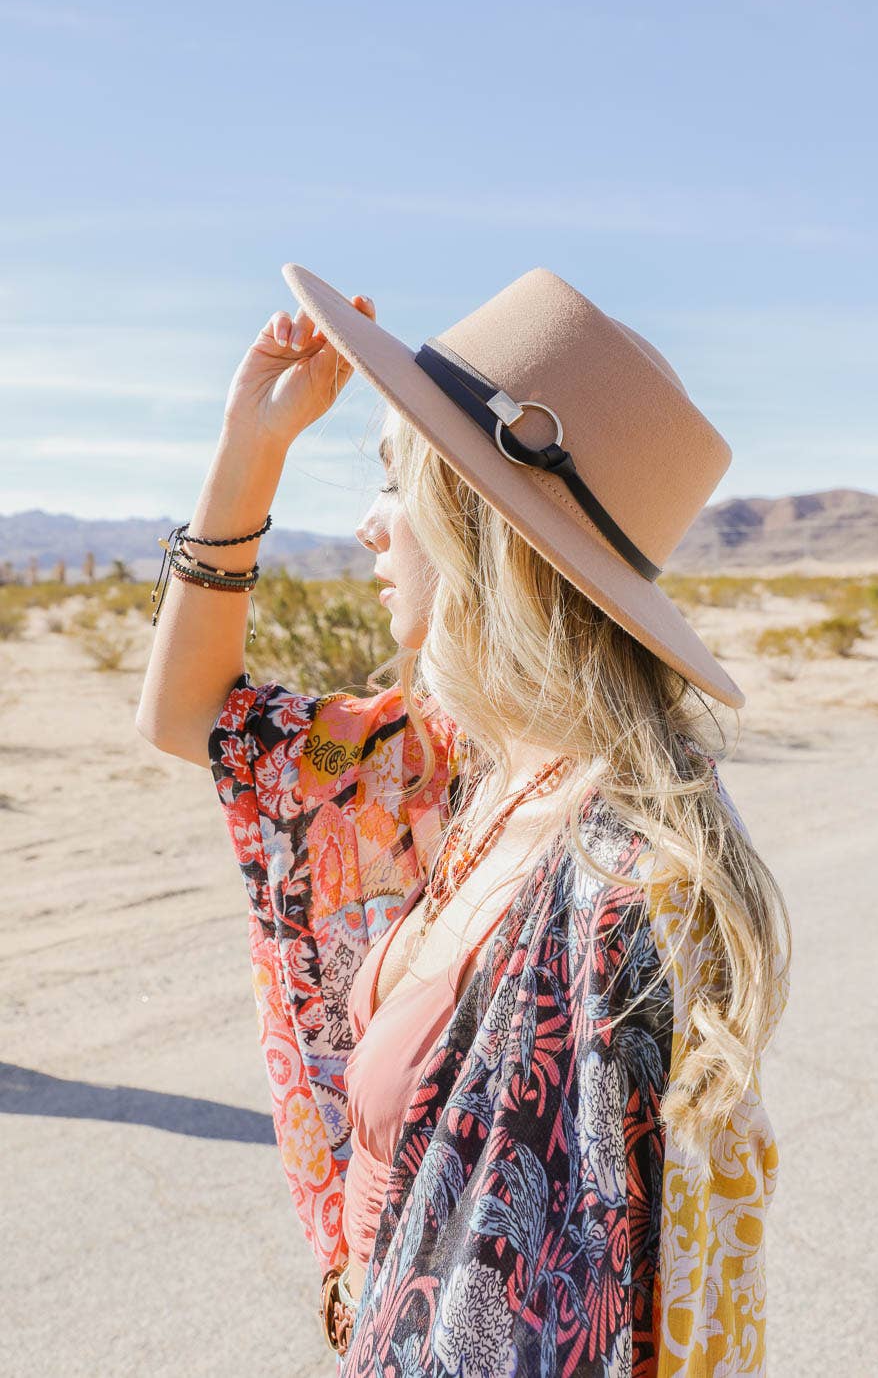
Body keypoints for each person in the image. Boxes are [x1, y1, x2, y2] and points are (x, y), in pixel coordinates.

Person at [136, 263, 791, 1377]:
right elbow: (198, 716)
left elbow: (584, 1307)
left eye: (398, 484)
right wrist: (252, 447)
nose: (366, 529)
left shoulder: (625, 885)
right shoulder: (471, 761)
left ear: (483, 528)